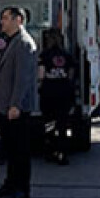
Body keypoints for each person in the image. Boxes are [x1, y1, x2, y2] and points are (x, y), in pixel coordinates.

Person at [0, 6, 37, 198]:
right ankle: (10, 184)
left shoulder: (24, 43)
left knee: (20, 150)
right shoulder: (11, 41)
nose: (3, 22)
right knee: (10, 149)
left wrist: (15, 104)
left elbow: (22, 77)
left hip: (16, 106)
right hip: (5, 104)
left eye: (6, 18)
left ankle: (21, 189)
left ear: (19, 20)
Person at [37, 27, 75, 165]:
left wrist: (40, 86)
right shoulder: (67, 55)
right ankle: (63, 153)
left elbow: (41, 75)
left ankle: (50, 150)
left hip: (49, 93)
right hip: (64, 93)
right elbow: (71, 76)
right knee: (63, 124)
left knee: (49, 123)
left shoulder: (44, 55)